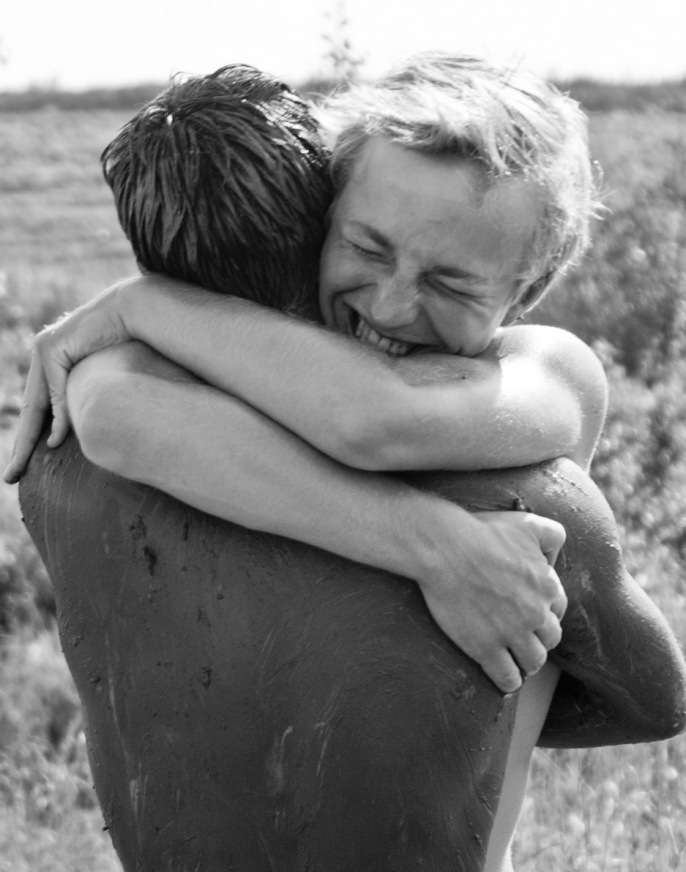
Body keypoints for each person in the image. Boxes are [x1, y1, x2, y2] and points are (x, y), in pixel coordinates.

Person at [7, 60, 686, 872]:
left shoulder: (550, 373)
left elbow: (376, 420)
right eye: (366, 246)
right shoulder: (241, 372)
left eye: (451, 283)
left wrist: (139, 305)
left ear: (529, 289)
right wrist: (431, 546)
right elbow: (115, 412)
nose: (392, 306)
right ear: (322, 219)